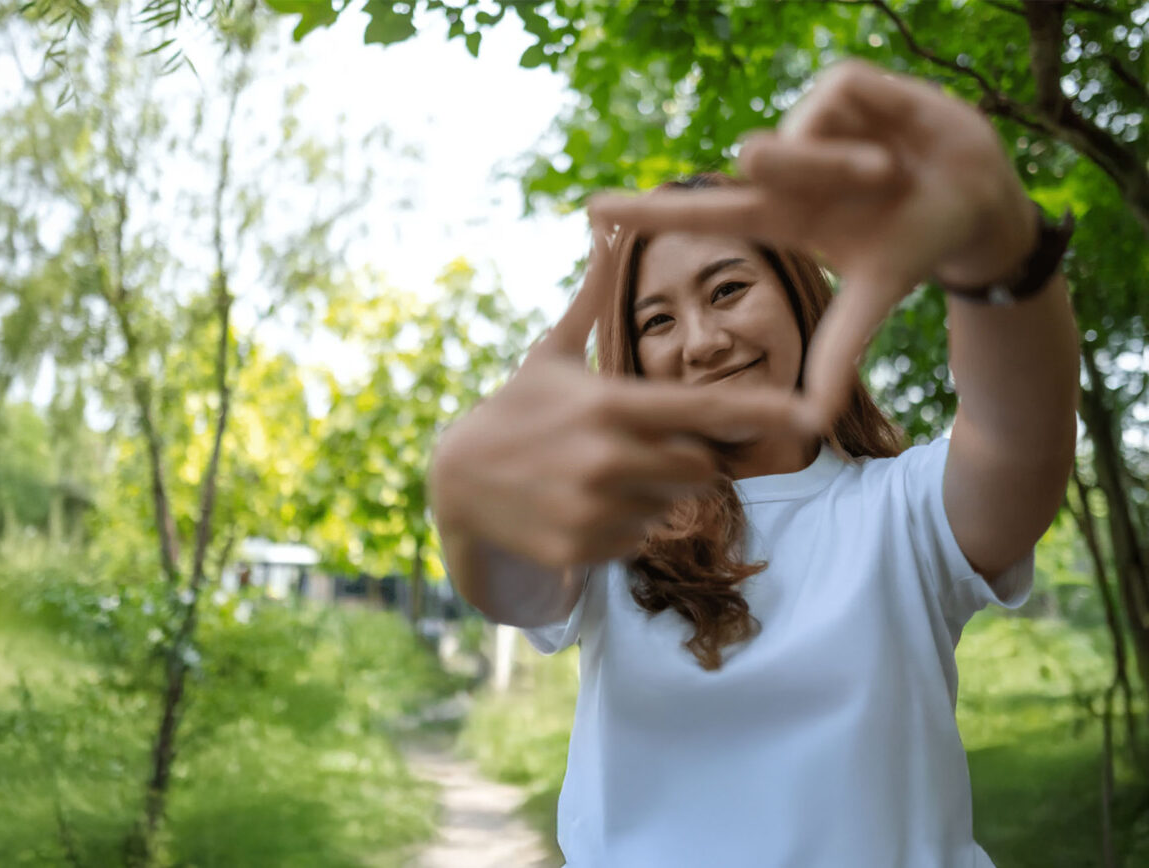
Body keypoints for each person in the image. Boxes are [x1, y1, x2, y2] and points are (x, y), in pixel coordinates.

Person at [426, 59, 1079, 867]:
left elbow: (1021, 435)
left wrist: (997, 247)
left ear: (799, 295)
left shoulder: (905, 512)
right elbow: (511, 583)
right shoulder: (613, 524)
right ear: (630, 355)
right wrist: (474, 500)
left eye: (728, 290)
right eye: (658, 320)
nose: (703, 341)